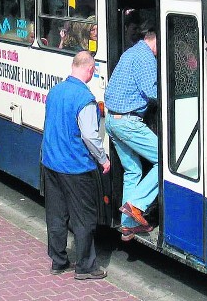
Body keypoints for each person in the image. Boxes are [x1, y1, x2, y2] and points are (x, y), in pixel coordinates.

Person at [42, 51, 110, 280]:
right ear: (90, 70)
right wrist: (103, 159)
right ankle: (85, 266)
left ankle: (58, 261)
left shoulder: (54, 91)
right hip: (75, 167)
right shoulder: (85, 98)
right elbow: (90, 136)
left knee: (56, 215)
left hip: (50, 164)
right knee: (84, 219)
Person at [104, 26, 159, 241]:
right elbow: (152, 91)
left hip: (113, 120)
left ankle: (127, 225)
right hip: (128, 122)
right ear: (156, 41)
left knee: (133, 171)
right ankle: (136, 204)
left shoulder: (131, 52)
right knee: (163, 161)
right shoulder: (146, 58)